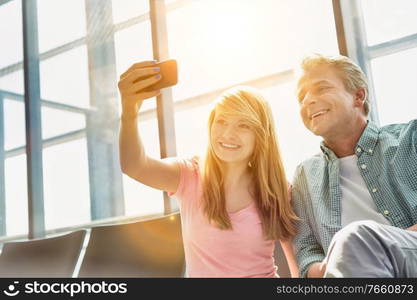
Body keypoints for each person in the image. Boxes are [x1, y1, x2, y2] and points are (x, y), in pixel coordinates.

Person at [118, 60, 299, 277]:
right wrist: (129, 112)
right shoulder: (190, 174)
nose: (228, 134)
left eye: (243, 125)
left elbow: (298, 266)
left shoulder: (279, 190)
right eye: (221, 121)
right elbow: (134, 166)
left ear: (261, 136)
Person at [291, 53, 417, 278]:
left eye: (321, 88)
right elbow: (307, 252)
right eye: (301, 96)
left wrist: (376, 248)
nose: (308, 100)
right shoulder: (304, 175)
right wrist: (343, 262)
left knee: (355, 238)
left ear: (358, 96)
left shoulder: (410, 139)